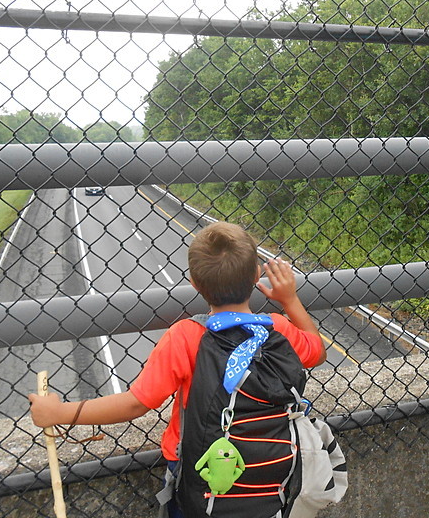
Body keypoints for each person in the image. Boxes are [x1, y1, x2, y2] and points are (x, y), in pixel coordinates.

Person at [29, 221, 327, 517]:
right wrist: (289, 299)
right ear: (256, 275)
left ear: (194, 283)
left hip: (199, 471)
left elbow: (135, 403)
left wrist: (60, 413)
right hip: (267, 473)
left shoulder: (186, 336)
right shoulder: (278, 330)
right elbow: (317, 351)